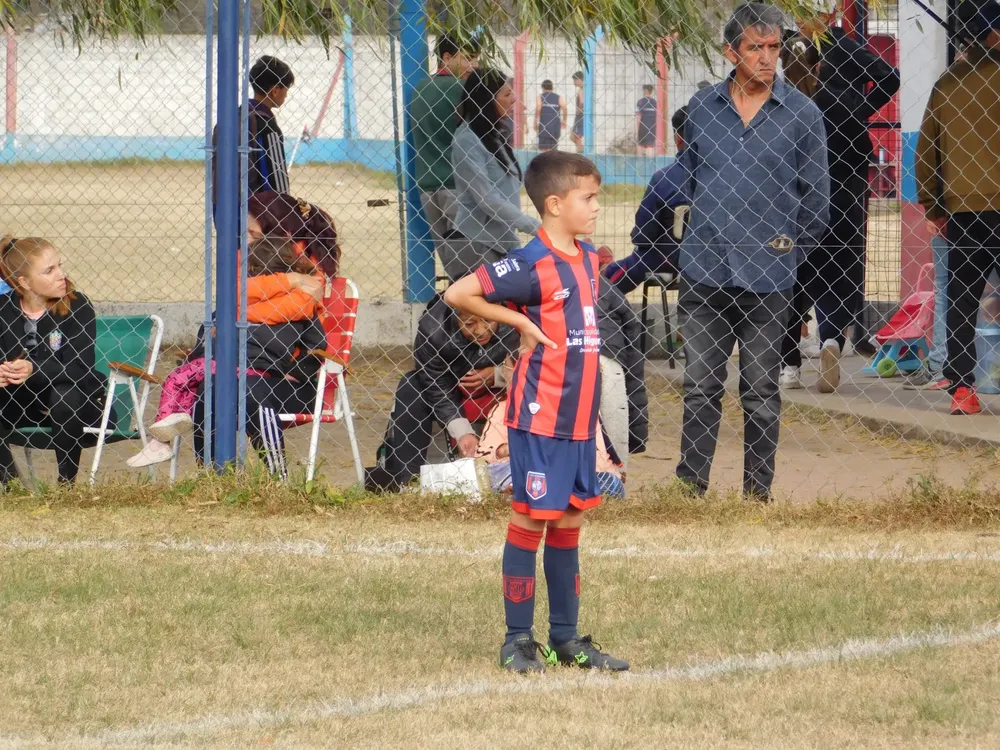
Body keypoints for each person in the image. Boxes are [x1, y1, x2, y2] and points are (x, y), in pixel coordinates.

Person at [444, 149, 628, 674]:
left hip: (578, 419)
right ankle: (517, 640)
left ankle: (566, 639)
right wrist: (520, 323)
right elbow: (459, 292)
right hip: (540, 415)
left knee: (569, 518)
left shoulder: (587, 258)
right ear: (554, 204)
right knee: (530, 518)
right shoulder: (530, 262)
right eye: (587, 198)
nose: (596, 206)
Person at [675, 3, 830, 500]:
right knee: (700, 388)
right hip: (704, 272)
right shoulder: (701, 110)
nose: (767, 58)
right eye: (755, 47)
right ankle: (689, 493)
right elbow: (692, 180)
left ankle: (756, 497)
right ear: (730, 52)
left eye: (774, 48)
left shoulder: (803, 115)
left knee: (761, 392)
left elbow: (817, 202)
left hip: (769, 279)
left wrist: (785, 254)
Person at [778, 8, 900, 392]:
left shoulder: (791, 58)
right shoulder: (840, 48)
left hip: (801, 175)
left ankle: (789, 363)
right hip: (845, 164)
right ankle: (831, 337)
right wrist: (857, 109)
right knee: (843, 257)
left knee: (796, 264)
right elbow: (890, 76)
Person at [127, 236, 324, 468]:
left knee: (248, 389)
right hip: (228, 369)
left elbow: (317, 345)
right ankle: (211, 471)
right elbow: (206, 339)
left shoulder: (299, 305)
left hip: (271, 378)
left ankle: (276, 474)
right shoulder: (234, 304)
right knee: (208, 385)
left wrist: (296, 372)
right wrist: (198, 356)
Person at [916, 0, 1000, 415]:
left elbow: (925, 151)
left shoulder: (946, 84)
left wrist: (933, 206)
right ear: (995, 33)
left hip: (964, 210)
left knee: (963, 297)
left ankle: (963, 391)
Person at [363, 298, 518, 492]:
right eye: (469, 323)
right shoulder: (433, 329)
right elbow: (434, 381)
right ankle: (408, 481)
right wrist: (462, 431)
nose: (480, 330)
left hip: (506, 387)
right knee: (411, 384)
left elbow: (535, 366)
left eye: (488, 320)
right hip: (452, 387)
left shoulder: (516, 316)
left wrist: (498, 375)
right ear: (454, 317)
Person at [0, 237, 110, 485]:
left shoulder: (77, 305)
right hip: (21, 405)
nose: (61, 275)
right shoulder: (3, 308)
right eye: (49, 271)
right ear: (24, 282)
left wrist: (34, 369)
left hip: (78, 407)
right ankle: (10, 484)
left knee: (64, 393)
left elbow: (80, 368)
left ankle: (66, 485)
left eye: (59, 266)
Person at [451, 69, 542, 275]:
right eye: (507, 94)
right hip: (479, 243)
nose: (514, 99)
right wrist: (535, 227)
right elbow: (487, 198)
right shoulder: (467, 139)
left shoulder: (494, 135)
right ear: (486, 100)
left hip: (504, 241)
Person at [411, 34, 480, 281]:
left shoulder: (420, 89)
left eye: (476, 59)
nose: (474, 65)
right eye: (468, 58)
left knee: (452, 265)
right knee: (473, 268)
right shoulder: (463, 90)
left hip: (428, 187)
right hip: (459, 186)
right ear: (447, 57)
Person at [604, 106, 690, 294]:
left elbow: (644, 233)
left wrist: (639, 238)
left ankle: (600, 289)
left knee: (633, 262)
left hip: (669, 259)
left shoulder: (665, 178)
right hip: (717, 259)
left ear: (678, 139)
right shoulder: (727, 178)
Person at [213, 56, 295, 202]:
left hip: (224, 204)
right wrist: (285, 206)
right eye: (286, 89)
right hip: (257, 210)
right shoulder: (268, 126)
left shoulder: (232, 118)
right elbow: (278, 180)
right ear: (275, 90)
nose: (286, 95)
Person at [596, 246, 648, 466]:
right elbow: (634, 363)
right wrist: (637, 431)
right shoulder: (611, 291)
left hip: (603, 356)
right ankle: (617, 470)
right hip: (608, 356)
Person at [535, 80, 566, 152]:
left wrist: (535, 121)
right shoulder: (558, 97)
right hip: (555, 127)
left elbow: (538, 109)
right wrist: (564, 120)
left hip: (544, 126)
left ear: (543, 88)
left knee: (543, 150)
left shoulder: (540, 97)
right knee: (553, 150)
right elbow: (565, 108)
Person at [635, 84, 658, 156]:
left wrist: (636, 130)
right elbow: (657, 117)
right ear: (651, 91)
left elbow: (638, 116)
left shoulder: (640, 102)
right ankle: (650, 162)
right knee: (650, 147)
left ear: (644, 91)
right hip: (652, 128)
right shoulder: (655, 102)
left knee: (640, 146)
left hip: (642, 128)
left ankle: (639, 161)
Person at [570, 71, 585, 153]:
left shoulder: (581, 90)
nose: (574, 82)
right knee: (573, 136)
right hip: (580, 116)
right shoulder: (584, 89)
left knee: (576, 136)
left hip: (580, 116)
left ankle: (581, 153)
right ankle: (581, 151)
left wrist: (579, 109)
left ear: (579, 80)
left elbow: (582, 101)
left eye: (574, 80)